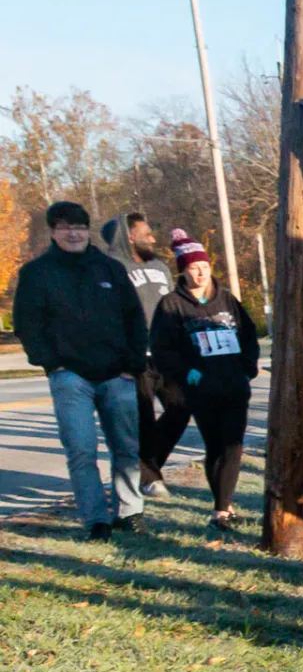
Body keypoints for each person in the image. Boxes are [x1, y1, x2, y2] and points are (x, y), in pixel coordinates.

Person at [14, 202, 148, 540]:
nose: (73, 233)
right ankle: (96, 520)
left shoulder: (110, 269)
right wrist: (51, 362)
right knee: (81, 450)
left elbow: (135, 317)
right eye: (65, 227)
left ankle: (130, 513)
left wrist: (133, 364)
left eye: (80, 227)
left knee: (126, 448)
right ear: (54, 232)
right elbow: (27, 324)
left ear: (88, 231)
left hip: (117, 375)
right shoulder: (37, 273)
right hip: (70, 376)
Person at [146, 229, 260, 532]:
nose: (200, 273)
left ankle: (223, 510)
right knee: (215, 446)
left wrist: (248, 367)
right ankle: (222, 505)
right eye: (193, 268)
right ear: (183, 271)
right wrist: (185, 373)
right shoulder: (172, 304)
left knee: (233, 446)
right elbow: (162, 347)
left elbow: (249, 335)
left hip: (235, 384)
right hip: (200, 389)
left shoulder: (227, 300)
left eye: (204, 267)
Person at [99, 213, 181, 498]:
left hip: (166, 355)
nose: (153, 238)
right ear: (129, 236)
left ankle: (146, 467)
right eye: (147, 232)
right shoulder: (112, 268)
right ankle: (149, 478)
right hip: (134, 358)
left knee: (181, 406)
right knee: (143, 419)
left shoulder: (160, 266)